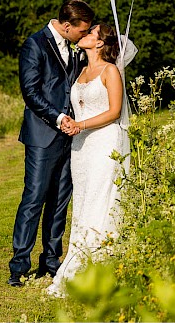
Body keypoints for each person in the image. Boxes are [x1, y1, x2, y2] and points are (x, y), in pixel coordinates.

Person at [8, 0, 95, 287]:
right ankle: (19, 266)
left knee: (60, 201)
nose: (84, 37)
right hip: (43, 135)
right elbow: (30, 92)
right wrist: (59, 118)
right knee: (34, 200)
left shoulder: (75, 47)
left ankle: (51, 260)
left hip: (71, 137)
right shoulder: (34, 45)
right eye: (81, 32)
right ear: (67, 26)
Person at [47, 22, 134, 298]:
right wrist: (73, 125)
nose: (84, 35)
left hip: (104, 143)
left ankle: (97, 267)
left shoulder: (110, 71)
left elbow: (114, 111)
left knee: (101, 201)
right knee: (84, 203)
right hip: (80, 148)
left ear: (99, 43)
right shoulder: (82, 70)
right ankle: (80, 258)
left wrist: (81, 125)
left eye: (91, 32)